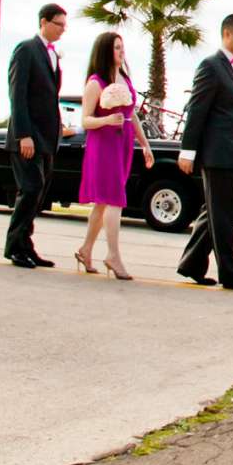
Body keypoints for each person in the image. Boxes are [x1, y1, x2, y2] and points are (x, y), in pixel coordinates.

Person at [175, 13, 233, 292]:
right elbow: (197, 110)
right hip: (218, 155)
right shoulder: (211, 66)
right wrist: (187, 151)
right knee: (224, 216)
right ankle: (232, 274)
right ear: (227, 34)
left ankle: (191, 264)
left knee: (214, 212)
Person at [76, 30, 148, 279]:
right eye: (117, 47)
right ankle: (113, 255)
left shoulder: (124, 78)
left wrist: (144, 143)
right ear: (106, 51)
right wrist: (107, 118)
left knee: (104, 201)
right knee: (114, 197)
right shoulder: (96, 82)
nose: (121, 52)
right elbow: (85, 120)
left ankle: (86, 249)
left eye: (122, 47)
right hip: (103, 143)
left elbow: (132, 114)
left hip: (124, 141)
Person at [4, 3, 68, 269]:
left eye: (65, 26)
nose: (62, 30)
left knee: (39, 192)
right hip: (28, 136)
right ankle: (14, 246)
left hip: (48, 137)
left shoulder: (52, 55)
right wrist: (24, 135)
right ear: (44, 22)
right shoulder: (27, 50)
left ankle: (27, 244)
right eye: (58, 24)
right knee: (29, 189)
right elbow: (17, 94)